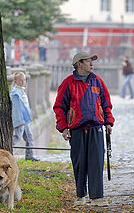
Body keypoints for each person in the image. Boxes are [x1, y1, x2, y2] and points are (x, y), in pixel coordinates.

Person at [53, 52, 115, 207]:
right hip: (77, 129)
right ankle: (80, 195)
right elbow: (59, 107)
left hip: (96, 128)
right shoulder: (67, 83)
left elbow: (106, 104)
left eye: (91, 61)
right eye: (88, 61)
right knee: (79, 164)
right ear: (79, 64)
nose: (92, 64)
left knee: (96, 162)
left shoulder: (97, 81)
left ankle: (97, 197)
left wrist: (109, 122)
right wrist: (63, 128)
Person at [10, 72, 39, 161]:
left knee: (29, 138)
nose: (23, 82)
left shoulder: (22, 91)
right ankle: (5, 151)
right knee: (17, 138)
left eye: (24, 80)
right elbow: (16, 110)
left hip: (25, 120)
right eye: (20, 80)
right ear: (15, 81)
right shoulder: (15, 93)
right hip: (21, 120)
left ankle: (29, 156)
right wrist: (20, 122)